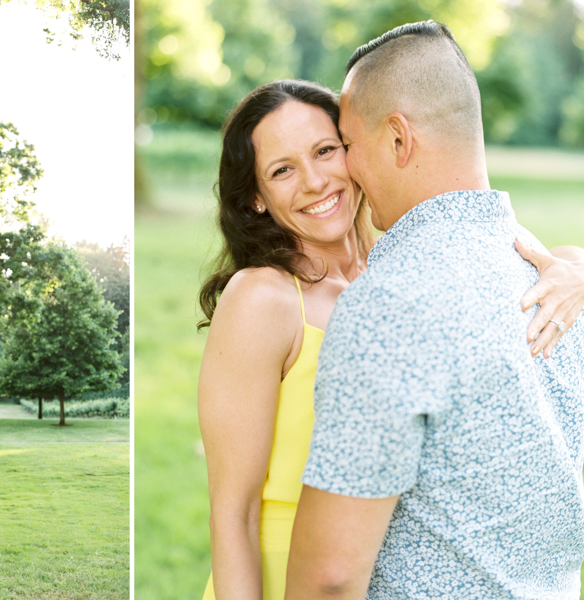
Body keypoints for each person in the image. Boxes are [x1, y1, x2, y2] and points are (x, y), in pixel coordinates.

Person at [197, 81, 584, 600]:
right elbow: (233, 514)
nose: (313, 181)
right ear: (255, 198)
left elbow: (516, 254)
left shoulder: (401, 276)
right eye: (282, 170)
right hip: (288, 578)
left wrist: (575, 270)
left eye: (325, 151)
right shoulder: (262, 299)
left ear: (356, 152)